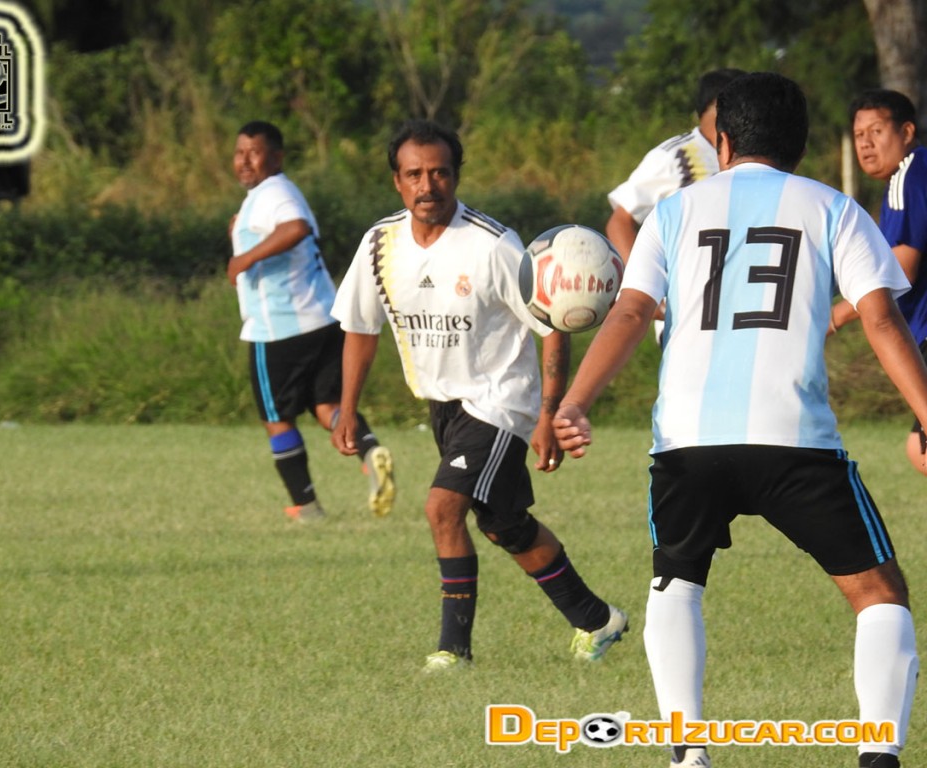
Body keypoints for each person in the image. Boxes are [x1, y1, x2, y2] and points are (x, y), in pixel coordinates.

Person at [554, 73, 925, 768]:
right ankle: (879, 756)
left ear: (721, 142)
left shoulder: (674, 211)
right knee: (879, 593)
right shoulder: (834, 207)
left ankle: (688, 752)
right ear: (802, 145)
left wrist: (574, 401)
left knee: (676, 582)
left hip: (688, 440)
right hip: (794, 439)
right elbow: (881, 318)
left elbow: (631, 311)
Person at [330, 119, 626, 673]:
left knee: (442, 509)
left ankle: (454, 650)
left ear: (456, 176)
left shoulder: (493, 245)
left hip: (500, 401)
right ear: (397, 181)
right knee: (504, 524)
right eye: (414, 174)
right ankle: (596, 618)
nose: (428, 186)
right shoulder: (379, 245)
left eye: (439, 172)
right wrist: (348, 409)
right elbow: (360, 328)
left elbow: (551, 327)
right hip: (444, 406)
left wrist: (547, 414)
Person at [227, 120, 395, 522]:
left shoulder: (273, 191)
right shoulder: (275, 194)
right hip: (322, 317)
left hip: (278, 328)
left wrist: (244, 258)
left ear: (277, 157)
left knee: (277, 418)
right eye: (239, 153)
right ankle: (370, 452)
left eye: (254, 152)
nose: (244, 160)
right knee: (327, 405)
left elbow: (295, 228)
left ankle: (306, 506)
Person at [830, 89, 927, 475]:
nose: (866, 143)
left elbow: (901, 268)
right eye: (859, 135)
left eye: (876, 131)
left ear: (906, 131)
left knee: (920, 449)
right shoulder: (913, 175)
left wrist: (835, 316)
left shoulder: (908, 175)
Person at [605, 68, 747, 263]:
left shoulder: (755, 155)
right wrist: (641, 277)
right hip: (688, 278)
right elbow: (620, 223)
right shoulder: (675, 156)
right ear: (717, 107)